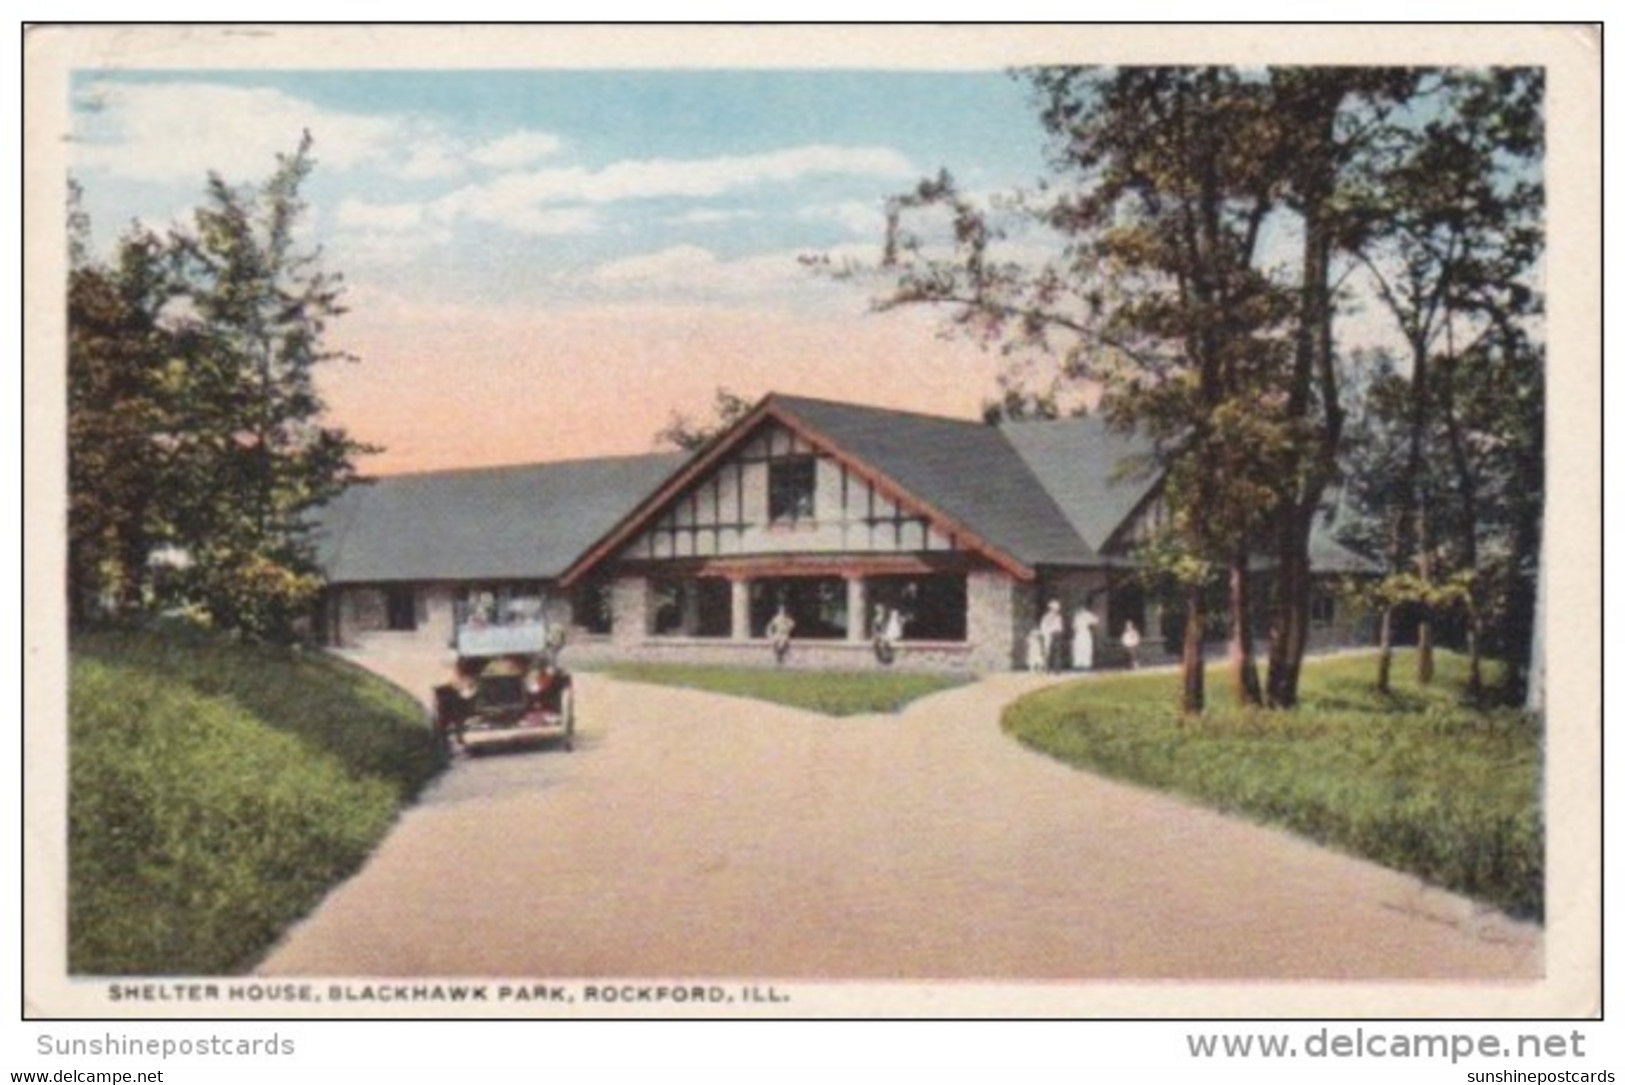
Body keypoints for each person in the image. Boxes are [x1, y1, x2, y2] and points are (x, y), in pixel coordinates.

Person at [1071, 601, 1100, 670]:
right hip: (1079, 633)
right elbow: (1074, 626)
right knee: (1079, 648)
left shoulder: (1086, 614)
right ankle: (1079, 664)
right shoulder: (1077, 615)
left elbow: (1095, 621)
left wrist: (1094, 618)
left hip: (1084, 632)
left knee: (1085, 648)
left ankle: (1085, 664)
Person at [1040, 599, 1066, 674]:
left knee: (1057, 653)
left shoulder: (1058, 616)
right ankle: (1047, 669)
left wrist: (1060, 631)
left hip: (1057, 634)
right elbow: (1044, 626)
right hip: (1050, 634)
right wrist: (1046, 634)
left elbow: (1060, 626)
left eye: (1056, 609)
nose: (1056, 610)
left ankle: (1057, 670)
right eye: (1054, 608)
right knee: (1049, 652)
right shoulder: (1047, 617)